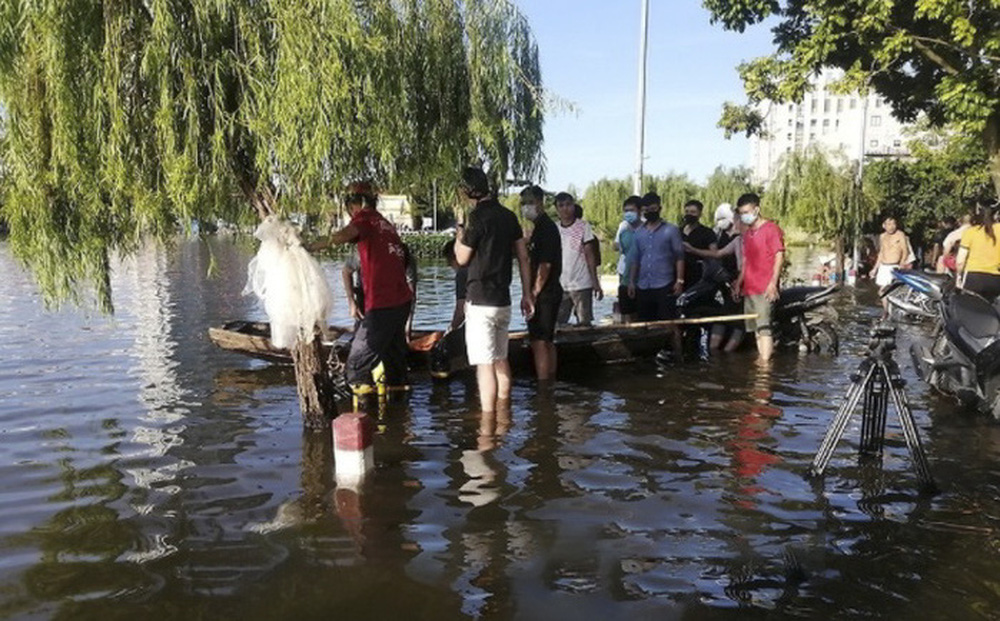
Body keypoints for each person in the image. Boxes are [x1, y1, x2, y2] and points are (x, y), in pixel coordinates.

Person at [311, 182, 413, 393]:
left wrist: (308, 245)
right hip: (401, 303)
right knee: (394, 363)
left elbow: (339, 237)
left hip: (383, 304)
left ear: (354, 205)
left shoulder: (365, 220)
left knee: (356, 365)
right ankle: (398, 419)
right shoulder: (384, 223)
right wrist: (351, 300)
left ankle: (362, 417)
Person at [454, 167, 534, 413]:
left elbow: (462, 258)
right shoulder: (509, 217)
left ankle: (487, 426)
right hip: (503, 301)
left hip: (480, 302)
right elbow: (523, 257)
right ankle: (503, 418)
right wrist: (527, 294)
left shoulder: (476, 218)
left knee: (484, 365)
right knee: (501, 359)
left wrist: (459, 228)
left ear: (467, 191)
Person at [629, 192, 684, 357]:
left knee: (669, 323)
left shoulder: (671, 230)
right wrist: (632, 282)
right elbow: (635, 260)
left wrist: (680, 280)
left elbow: (679, 257)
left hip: (664, 283)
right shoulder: (638, 233)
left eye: (653, 209)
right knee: (644, 325)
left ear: (659, 208)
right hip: (643, 285)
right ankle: (648, 358)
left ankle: (678, 355)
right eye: (646, 209)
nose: (649, 212)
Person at [685, 204, 745, 352]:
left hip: (741, 282)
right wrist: (693, 250)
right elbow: (717, 254)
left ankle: (728, 351)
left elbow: (746, 265)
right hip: (724, 279)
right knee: (723, 313)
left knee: (739, 319)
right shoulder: (725, 237)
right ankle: (714, 350)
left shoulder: (745, 239)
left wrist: (737, 283)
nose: (720, 222)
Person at [733, 193, 784, 364]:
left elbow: (779, 255)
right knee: (755, 329)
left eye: (747, 212)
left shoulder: (771, 229)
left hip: (764, 288)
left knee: (764, 328)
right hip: (750, 288)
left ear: (757, 210)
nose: (744, 216)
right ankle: (762, 360)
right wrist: (739, 283)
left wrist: (773, 283)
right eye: (742, 213)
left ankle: (765, 367)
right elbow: (746, 261)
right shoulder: (748, 234)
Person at [520, 185, 562, 380]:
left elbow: (545, 266)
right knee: (547, 339)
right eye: (523, 203)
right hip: (550, 291)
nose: (525, 207)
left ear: (539, 202)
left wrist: (533, 293)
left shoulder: (546, 228)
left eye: (528, 203)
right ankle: (550, 380)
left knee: (539, 341)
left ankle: (544, 384)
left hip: (545, 293)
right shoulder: (540, 228)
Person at [555, 192, 602, 326]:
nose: (565, 208)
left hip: (582, 284)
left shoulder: (583, 226)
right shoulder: (554, 228)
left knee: (584, 321)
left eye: (569, 205)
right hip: (561, 285)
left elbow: (589, 254)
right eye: (561, 205)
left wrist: (595, 282)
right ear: (557, 209)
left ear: (574, 206)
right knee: (558, 321)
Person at [869, 215, 914, 318]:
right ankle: (887, 312)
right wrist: (875, 268)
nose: (891, 226)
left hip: (894, 266)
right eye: (889, 224)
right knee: (882, 292)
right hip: (884, 266)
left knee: (885, 291)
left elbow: (905, 251)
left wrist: (902, 263)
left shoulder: (900, 235)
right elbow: (881, 253)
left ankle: (889, 313)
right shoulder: (882, 236)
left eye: (893, 224)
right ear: (884, 225)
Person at [957, 199, 1000, 301]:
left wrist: (959, 277)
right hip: (995, 279)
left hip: (973, 277)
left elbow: (960, 261)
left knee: (970, 311)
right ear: (996, 214)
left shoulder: (970, 232)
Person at [613, 196, 642, 322]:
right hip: (625, 274)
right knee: (626, 311)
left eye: (631, 210)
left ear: (640, 211)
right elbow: (616, 245)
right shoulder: (623, 227)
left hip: (642, 278)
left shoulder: (647, 228)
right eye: (626, 210)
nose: (628, 213)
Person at [681, 199, 718, 289]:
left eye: (693, 212)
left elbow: (715, 253)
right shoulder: (678, 231)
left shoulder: (707, 232)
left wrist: (693, 250)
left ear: (700, 214)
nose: (689, 214)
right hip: (680, 275)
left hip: (699, 275)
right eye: (687, 211)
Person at [442, 239, 468, 330]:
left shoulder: (462, 274)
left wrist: (451, 329)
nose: (449, 265)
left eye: (449, 261)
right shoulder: (476, 268)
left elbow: (461, 312)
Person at [341, 246, 364, 330]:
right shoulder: (363, 249)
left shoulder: (395, 247)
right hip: (365, 302)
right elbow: (346, 271)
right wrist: (351, 302)